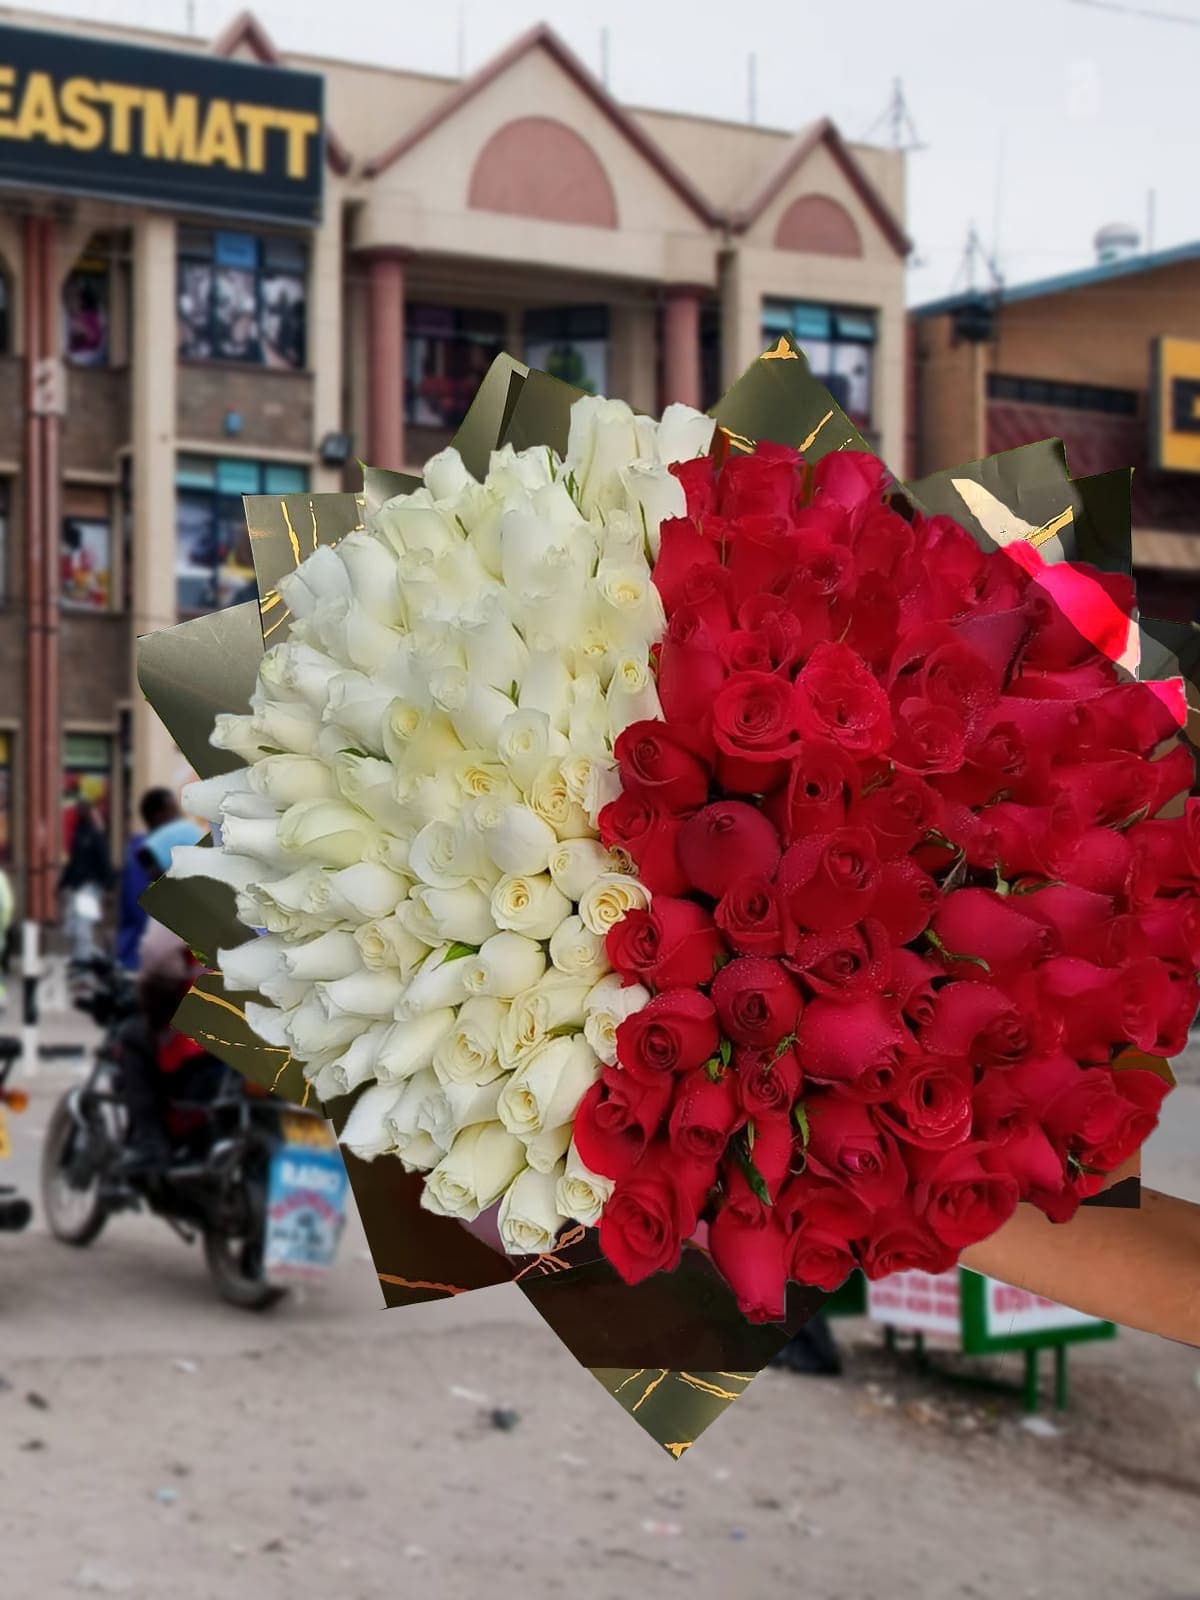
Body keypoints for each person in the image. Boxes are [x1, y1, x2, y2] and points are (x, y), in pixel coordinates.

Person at [115, 817, 209, 1171]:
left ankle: (151, 1147)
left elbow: (156, 959)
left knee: (135, 1039)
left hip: (200, 1037)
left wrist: (148, 992)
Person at [115, 788, 180, 971]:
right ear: (158, 816)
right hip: (140, 957)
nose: (178, 818)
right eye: (173, 812)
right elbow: (143, 907)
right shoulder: (145, 852)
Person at [59, 799, 112, 963]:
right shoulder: (78, 834)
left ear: (89, 812)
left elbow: (104, 861)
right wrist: (62, 883)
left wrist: (108, 886)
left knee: (83, 925)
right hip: (76, 886)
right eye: (78, 810)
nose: (80, 813)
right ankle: (86, 955)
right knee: (71, 926)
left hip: (89, 887)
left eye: (83, 810)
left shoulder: (95, 835)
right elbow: (73, 862)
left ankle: (83, 959)